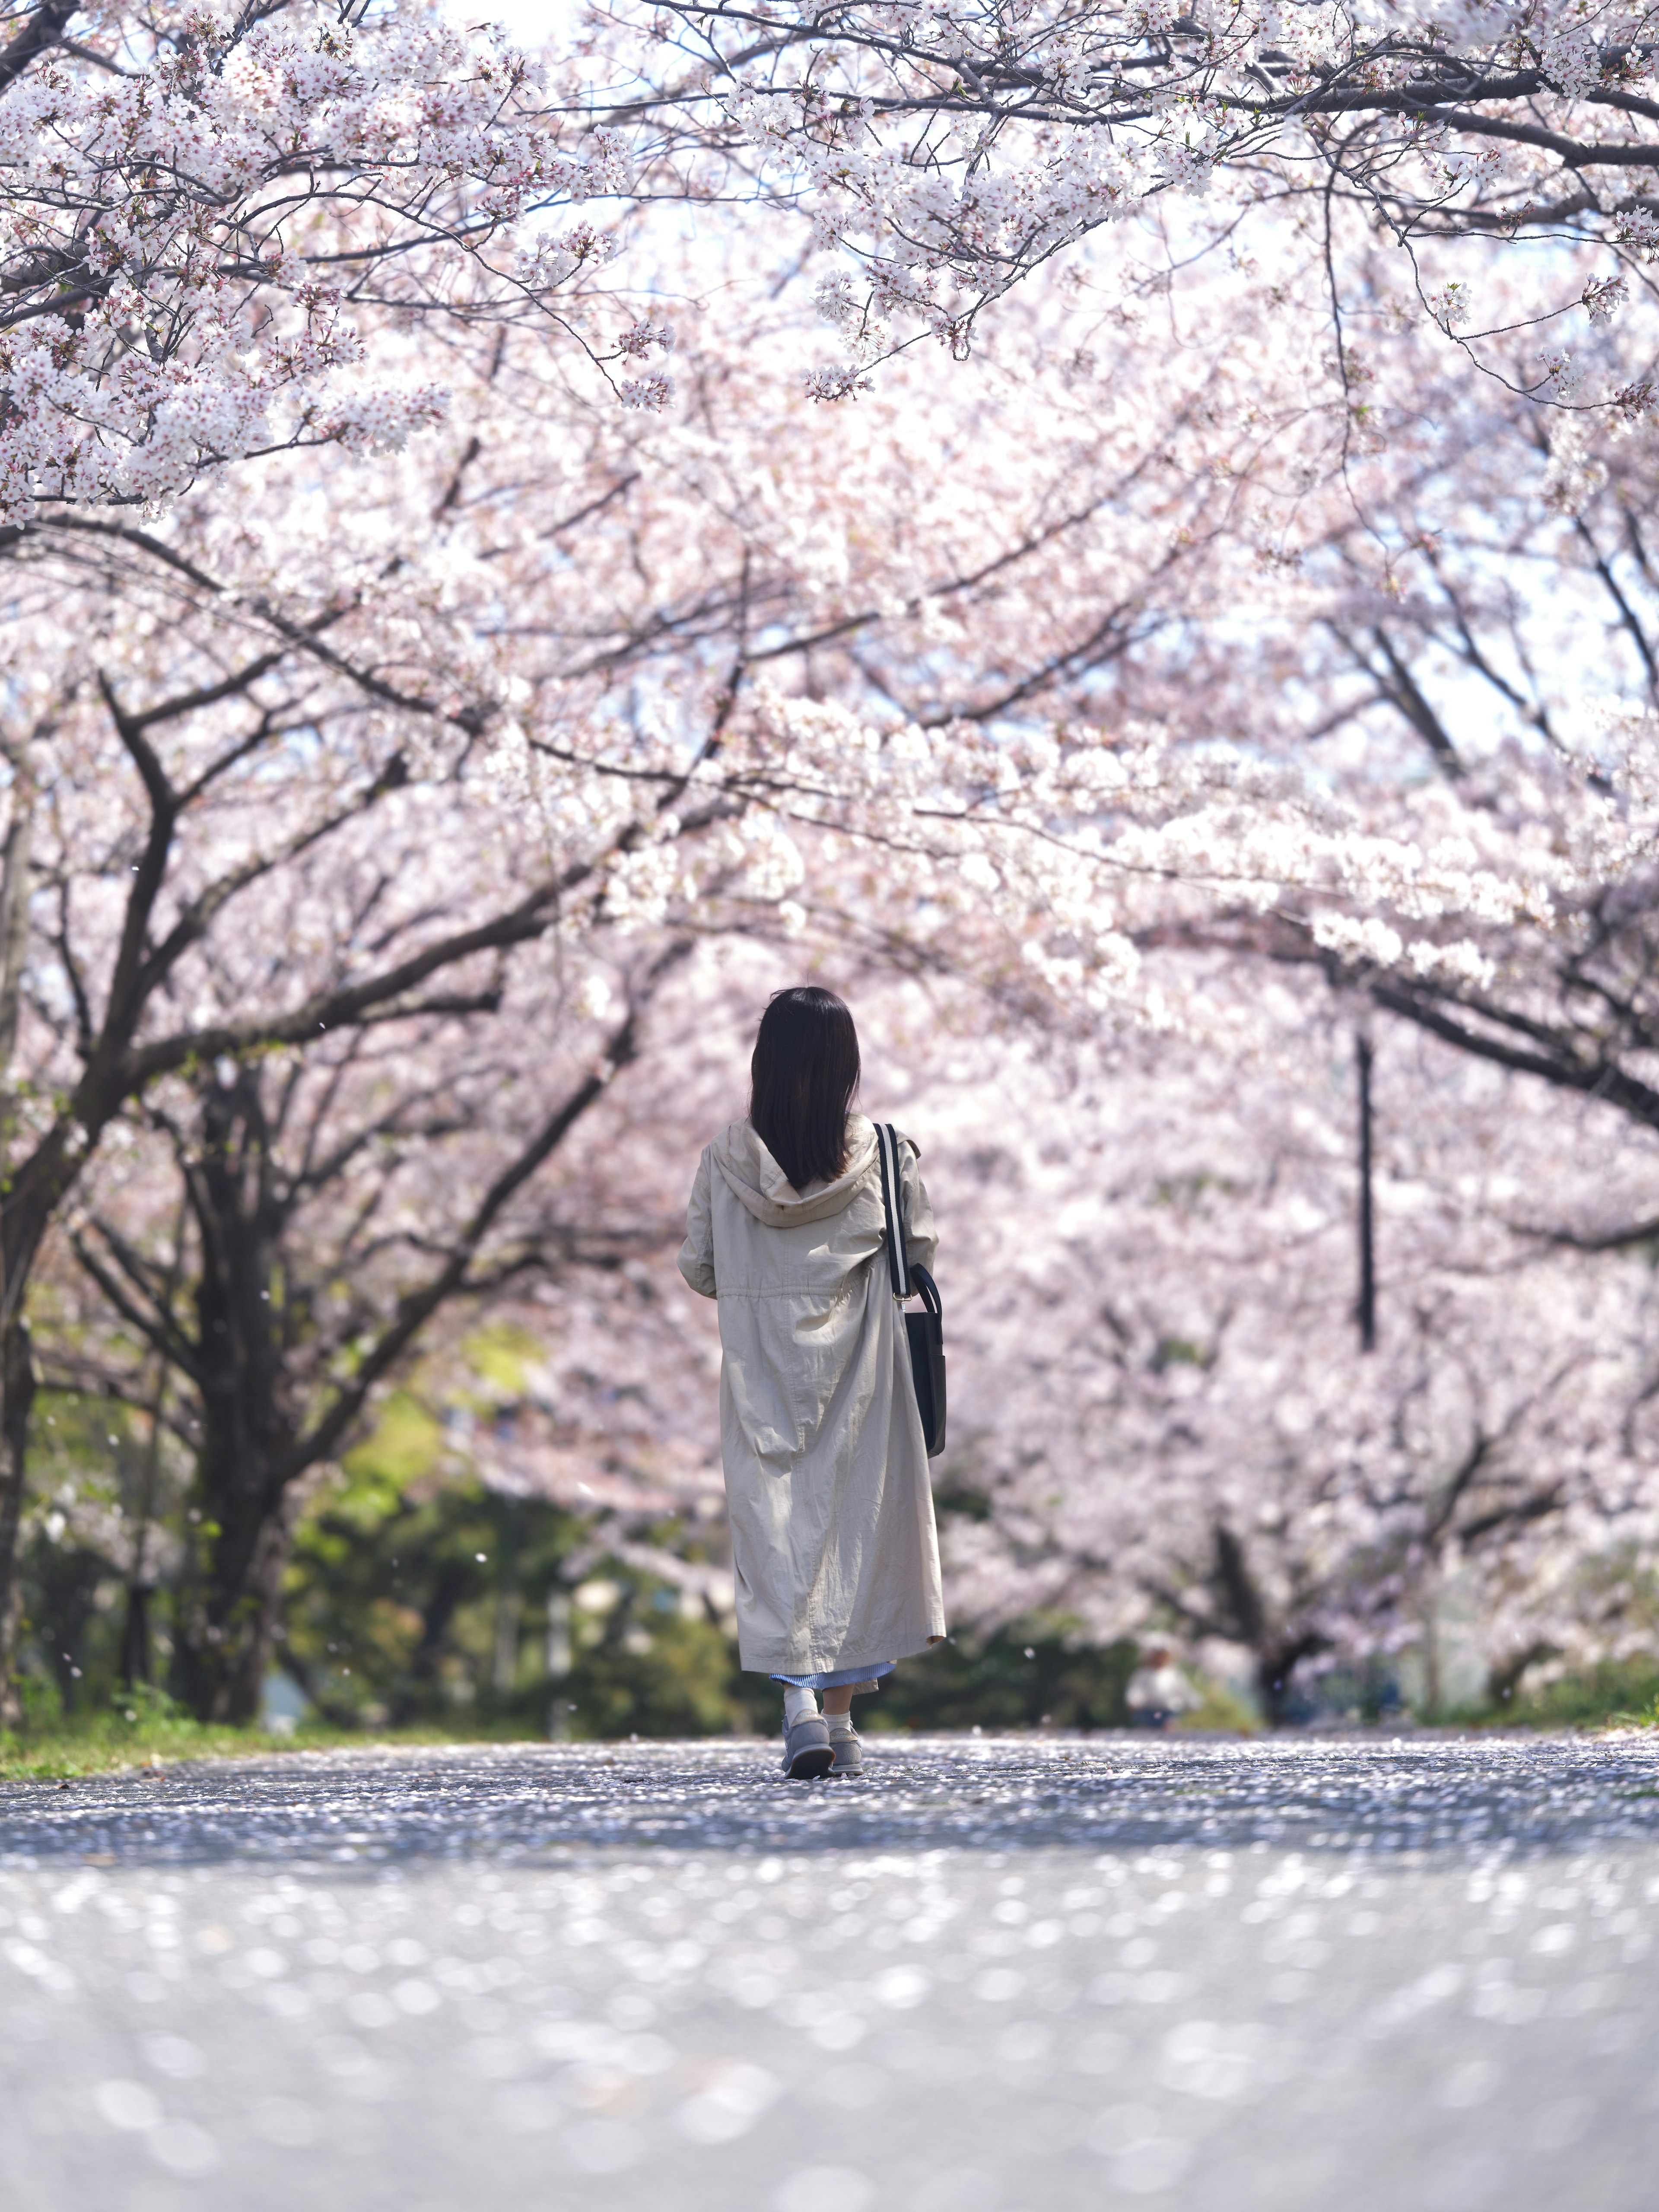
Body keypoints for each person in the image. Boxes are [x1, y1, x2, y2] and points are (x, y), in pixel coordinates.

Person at [678, 986, 946, 1779]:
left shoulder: (725, 1159)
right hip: (860, 1369)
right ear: (846, 1066)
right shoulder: (883, 1154)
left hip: (762, 1369)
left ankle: (798, 1707)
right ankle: (842, 1719)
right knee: (853, 1531)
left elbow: (699, 1267)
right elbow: (919, 1252)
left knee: (777, 1529)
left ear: (764, 1063)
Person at [1124, 1645, 1199, 1732]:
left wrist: (1193, 1703)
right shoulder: (1143, 1674)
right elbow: (1136, 1689)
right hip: (1148, 1711)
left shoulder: (1174, 1674)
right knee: (1145, 1730)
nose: (1160, 1660)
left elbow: (1184, 1690)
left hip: (1169, 1712)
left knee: (1170, 1727)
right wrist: (1133, 1701)